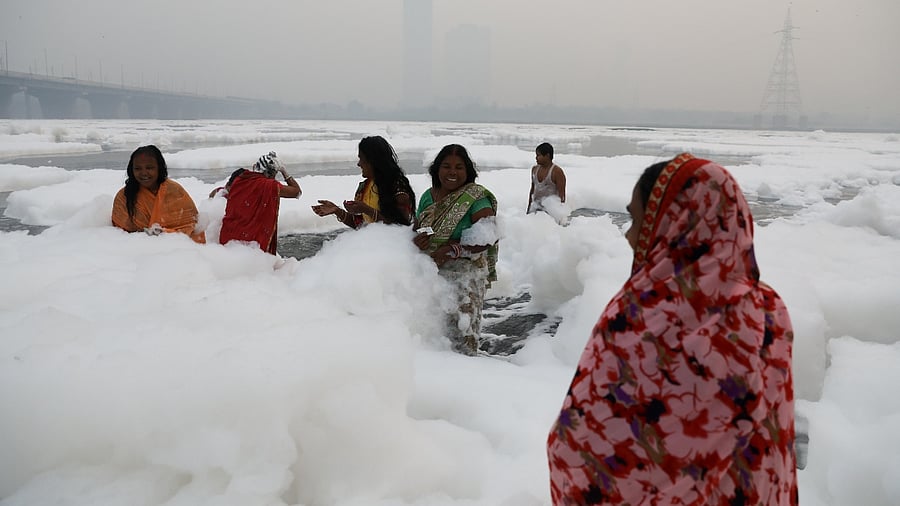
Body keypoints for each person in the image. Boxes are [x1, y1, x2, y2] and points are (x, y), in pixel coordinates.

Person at [547, 153, 797, 505]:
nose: (630, 235)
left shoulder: (646, 316)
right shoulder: (767, 308)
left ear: (674, 224)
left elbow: (591, 449)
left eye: (637, 220)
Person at [413, 144, 499, 356]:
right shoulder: (428, 196)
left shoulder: (476, 198)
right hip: (432, 274)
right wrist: (419, 239)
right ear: (437, 169)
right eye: (446, 166)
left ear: (468, 171)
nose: (452, 172)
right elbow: (419, 226)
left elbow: (488, 235)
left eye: (459, 167)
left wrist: (453, 250)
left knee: (461, 335)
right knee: (432, 331)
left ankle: (462, 381)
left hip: (465, 278)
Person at [311, 136, 415, 227]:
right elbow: (359, 224)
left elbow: (401, 225)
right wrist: (337, 211)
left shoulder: (398, 187)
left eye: (361, 159)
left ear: (373, 161)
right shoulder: (364, 187)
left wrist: (367, 210)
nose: (359, 164)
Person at [111, 144, 205, 243]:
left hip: (177, 250)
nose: (144, 173)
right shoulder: (124, 197)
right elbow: (119, 234)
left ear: (159, 168)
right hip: (136, 250)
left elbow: (192, 228)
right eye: (138, 168)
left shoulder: (175, 191)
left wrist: (163, 233)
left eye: (149, 168)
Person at [219, 151, 301, 254]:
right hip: (252, 246)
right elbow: (296, 192)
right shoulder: (269, 185)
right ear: (271, 174)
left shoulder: (239, 180)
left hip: (228, 240)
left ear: (255, 166)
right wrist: (284, 171)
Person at [527, 142, 566, 214]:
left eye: (538, 155)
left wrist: (560, 216)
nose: (536, 158)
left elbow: (562, 196)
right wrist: (528, 210)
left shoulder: (557, 172)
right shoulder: (534, 169)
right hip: (536, 208)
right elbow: (532, 191)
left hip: (550, 211)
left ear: (547, 156)